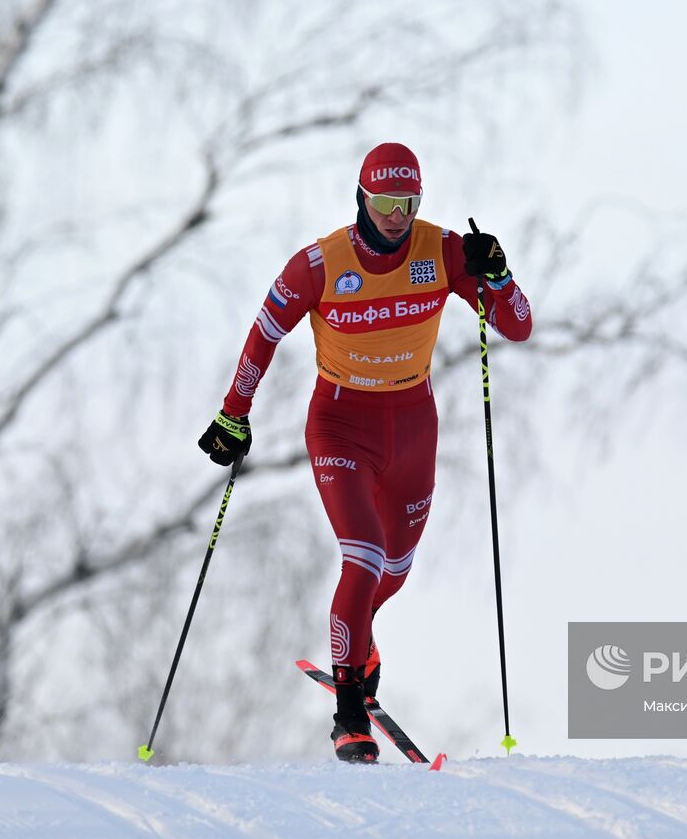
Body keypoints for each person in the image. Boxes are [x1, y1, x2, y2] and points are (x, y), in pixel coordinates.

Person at [197, 142, 533, 762]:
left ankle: (358, 640)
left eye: (408, 202)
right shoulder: (322, 263)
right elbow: (265, 330)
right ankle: (349, 712)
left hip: (412, 427)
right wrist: (234, 412)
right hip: (340, 424)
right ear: (362, 197)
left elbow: (516, 324)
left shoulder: (442, 251)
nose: (396, 215)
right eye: (384, 202)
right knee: (364, 556)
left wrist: (498, 273)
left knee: (394, 572)